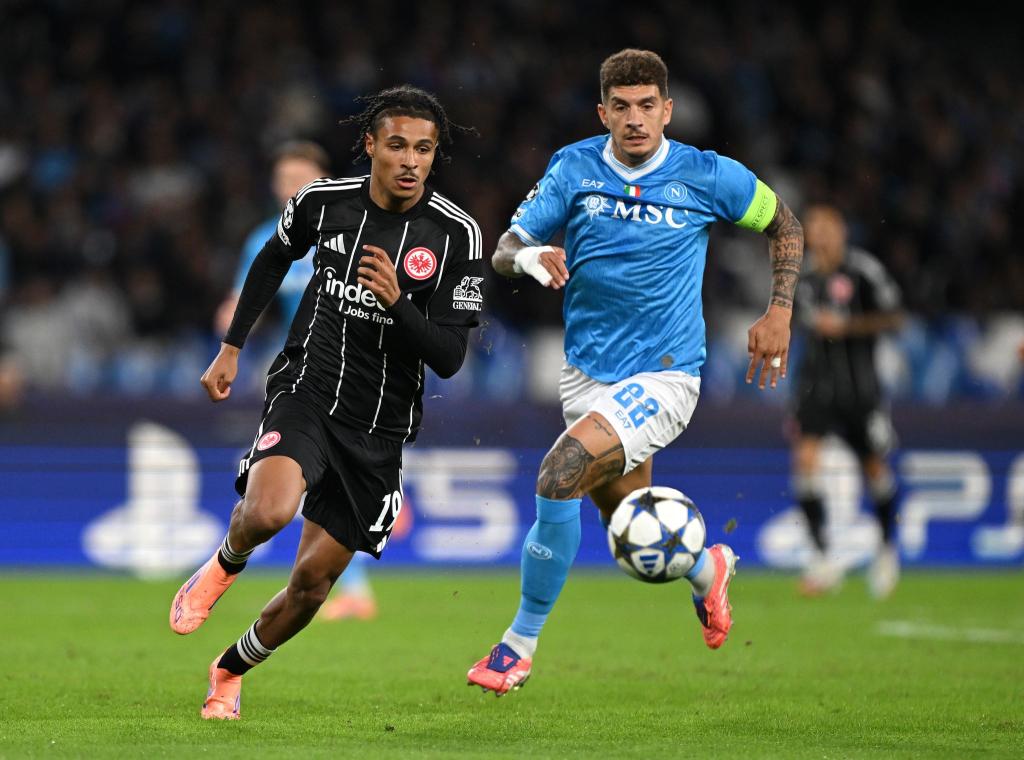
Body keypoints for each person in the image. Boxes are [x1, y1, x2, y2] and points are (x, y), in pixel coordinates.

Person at [466, 49, 803, 695]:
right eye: (621, 106)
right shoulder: (574, 167)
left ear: (667, 110)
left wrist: (780, 309)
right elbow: (505, 248)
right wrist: (531, 257)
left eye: (647, 105)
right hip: (589, 374)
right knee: (631, 526)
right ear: (603, 112)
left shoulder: (708, 175)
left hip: (668, 375)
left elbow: (784, 225)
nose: (635, 118)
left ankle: (518, 646)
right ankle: (708, 571)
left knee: (558, 472)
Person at [169, 85, 484, 720]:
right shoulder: (322, 204)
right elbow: (271, 257)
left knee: (312, 588)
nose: (410, 160)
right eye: (396, 145)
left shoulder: (457, 235)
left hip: (381, 427)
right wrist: (232, 348)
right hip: (307, 389)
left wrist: (398, 302)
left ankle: (228, 671)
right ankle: (224, 564)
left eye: (423, 149)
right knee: (269, 512)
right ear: (370, 146)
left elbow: (449, 356)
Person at [215, 141, 379, 622]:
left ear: (324, 182)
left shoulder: (350, 226)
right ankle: (354, 589)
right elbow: (242, 295)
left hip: (361, 375)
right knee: (308, 480)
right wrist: (230, 330)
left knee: (329, 480)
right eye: (285, 180)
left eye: (301, 179)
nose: (292, 189)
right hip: (301, 372)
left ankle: (353, 584)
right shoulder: (266, 238)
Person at [788, 204, 904, 598]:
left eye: (826, 227)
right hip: (817, 391)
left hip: (861, 392)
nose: (819, 235)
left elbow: (894, 317)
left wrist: (848, 326)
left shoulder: (864, 271)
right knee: (805, 462)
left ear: (841, 231)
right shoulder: (802, 281)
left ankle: (887, 550)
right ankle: (822, 558)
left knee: (874, 469)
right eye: (813, 228)